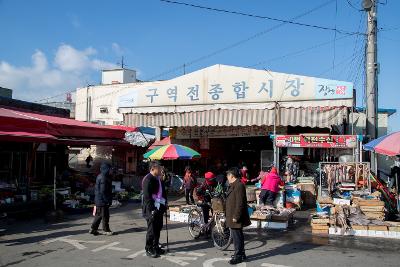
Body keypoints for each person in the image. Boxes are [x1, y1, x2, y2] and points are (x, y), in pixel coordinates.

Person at [225, 167, 251, 265]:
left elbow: (240, 203)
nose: (227, 177)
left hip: (235, 215)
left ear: (232, 175)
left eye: (228, 175)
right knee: (237, 235)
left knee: (237, 237)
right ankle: (241, 253)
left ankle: (238, 255)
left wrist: (236, 216)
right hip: (232, 214)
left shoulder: (239, 185)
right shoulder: (233, 185)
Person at [142, 162, 167, 258]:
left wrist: (165, 204)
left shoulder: (158, 179)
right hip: (151, 208)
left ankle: (155, 246)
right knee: (151, 230)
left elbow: (163, 193)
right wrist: (152, 209)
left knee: (158, 228)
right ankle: (148, 248)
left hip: (159, 207)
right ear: (153, 169)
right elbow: (147, 197)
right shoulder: (148, 179)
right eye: (159, 168)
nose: (161, 169)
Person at [90, 162, 114, 236]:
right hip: (102, 200)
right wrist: (107, 201)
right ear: (106, 169)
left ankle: (93, 229)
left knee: (99, 215)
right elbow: (103, 191)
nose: (111, 171)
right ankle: (106, 230)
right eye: (110, 169)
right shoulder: (103, 177)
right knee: (105, 216)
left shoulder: (101, 176)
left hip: (99, 200)